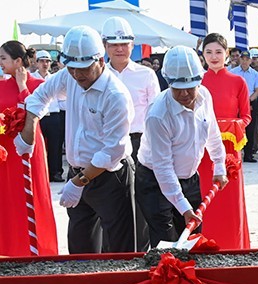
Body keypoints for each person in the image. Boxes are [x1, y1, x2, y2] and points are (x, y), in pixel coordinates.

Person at [21, 25, 143, 254]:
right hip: (77, 172)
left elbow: (111, 152)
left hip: (111, 177)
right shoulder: (69, 76)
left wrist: (79, 182)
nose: (78, 75)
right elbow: (41, 95)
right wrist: (29, 130)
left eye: (84, 69)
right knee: (80, 248)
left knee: (120, 250)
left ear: (100, 60)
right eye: (72, 68)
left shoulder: (115, 95)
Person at [136, 46, 228, 248]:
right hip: (154, 181)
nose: (185, 93)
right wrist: (184, 208)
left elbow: (212, 132)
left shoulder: (204, 95)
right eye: (178, 88)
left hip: (188, 177)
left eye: (190, 86)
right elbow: (163, 168)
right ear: (168, 82)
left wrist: (219, 166)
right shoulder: (158, 115)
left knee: (193, 240)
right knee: (167, 243)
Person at [0, 41, 58, 257]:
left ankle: (38, 249)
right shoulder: (1, 85)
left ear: (17, 61)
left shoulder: (37, 85)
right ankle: (8, 249)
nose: (0, 63)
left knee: (32, 197)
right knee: (7, 201)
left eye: (4, 58)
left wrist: (23, 87)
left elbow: (32, 113)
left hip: (28, 150)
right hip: (5, 152)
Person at [199, 32, 252, 250]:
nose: (214, 57)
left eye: (218, 52)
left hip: (230, 150)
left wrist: (232, 125)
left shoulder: (238, 81)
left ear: (227, 54)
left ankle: (234, 244)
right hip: (203, 150)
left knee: (230, 200)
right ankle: (206, 243)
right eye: (209, 52)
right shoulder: (198, 81)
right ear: (202, 55)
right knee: (205, 196)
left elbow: (246, 116)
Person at [101, 16, 160, 164]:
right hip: (105, 142)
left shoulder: (147, 74)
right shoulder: (98, 76)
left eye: (124, 44)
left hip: (139, 142)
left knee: (139, 186)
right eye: (114, 44)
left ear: (132, 45)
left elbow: (156, 112)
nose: (119, 49)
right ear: (105, 45)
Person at [30, 49, 66, 182]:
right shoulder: (31, 77)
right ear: (37, 62)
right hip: (38, 116)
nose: (45, 64)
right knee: (37, 146)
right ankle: (38, 172)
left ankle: (55, 172)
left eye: (47, 61)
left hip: (54, 115)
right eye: (42, 61)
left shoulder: (55, 78)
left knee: (55, 146)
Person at [230, 49, 258, 163]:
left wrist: (248, 101)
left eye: (247, 59)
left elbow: (257, 90)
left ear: (250, 61)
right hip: (235, 104)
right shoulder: (233, 72)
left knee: (250, 129)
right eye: (242, 59)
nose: (244, 61)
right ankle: (235, 154)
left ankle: (248, 154)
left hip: (250, 103)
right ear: (239, 60)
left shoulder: (255, 74)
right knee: (236, 129)